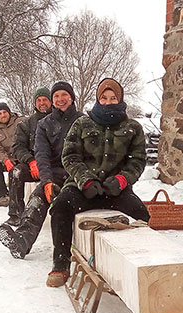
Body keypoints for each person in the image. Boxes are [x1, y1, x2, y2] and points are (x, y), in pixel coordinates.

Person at [46, 78, 150, 287]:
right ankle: (61, 264)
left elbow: (137, 160)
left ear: (120, 99)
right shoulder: (83, 123)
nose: (108, 102)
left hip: (115, 190)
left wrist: (122, 180)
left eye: (113, 98)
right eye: (104, 98)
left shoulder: (133, 127)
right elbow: (70, 157)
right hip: (83, 188)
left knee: (141, 215)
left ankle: (135, 266)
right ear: (97, 99)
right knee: (60, 207)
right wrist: (84, 180)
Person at [0, 81, 83, 259]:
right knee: (38, 196)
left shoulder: (83, 121)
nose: (60, 99)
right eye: (56, 96)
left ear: (72, 97)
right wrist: (46, 179)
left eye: (64, 95)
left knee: (62, 204)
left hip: (79, 172)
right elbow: (41, 154)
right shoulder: (40, 124)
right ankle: (21, 238)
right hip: (52, 171)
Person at [5, 87, 52, 226]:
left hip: (53, 164)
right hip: (33, 165)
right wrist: (31, 162)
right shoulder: (26, 124)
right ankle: (16, 214)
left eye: (45, 99)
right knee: (16, 172)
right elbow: (18, 147)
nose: (42, 103)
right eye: (39, 100)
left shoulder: (58, 120)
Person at [0, 102, 22, 207]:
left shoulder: (20, 122)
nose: (3, 115)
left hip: (22, 157)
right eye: (0, 113)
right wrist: (5, 160)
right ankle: (2, 195)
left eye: (4, 112)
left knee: (16, 170)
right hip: (9, 159)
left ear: (9, 112)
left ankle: (14, 195)